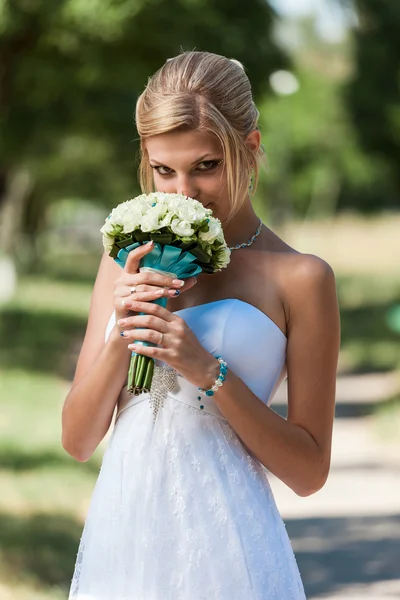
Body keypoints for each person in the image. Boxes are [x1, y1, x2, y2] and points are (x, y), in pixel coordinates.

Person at [63, 50, 340, 599]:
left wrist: (209, 372)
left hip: (230, 545)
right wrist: (129, 325)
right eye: (163, 170)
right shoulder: (124, 258)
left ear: (251, 149)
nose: (183, 192)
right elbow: (77, 440)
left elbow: (309, 473)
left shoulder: (301, 279)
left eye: (205, 166)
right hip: (124, 542)